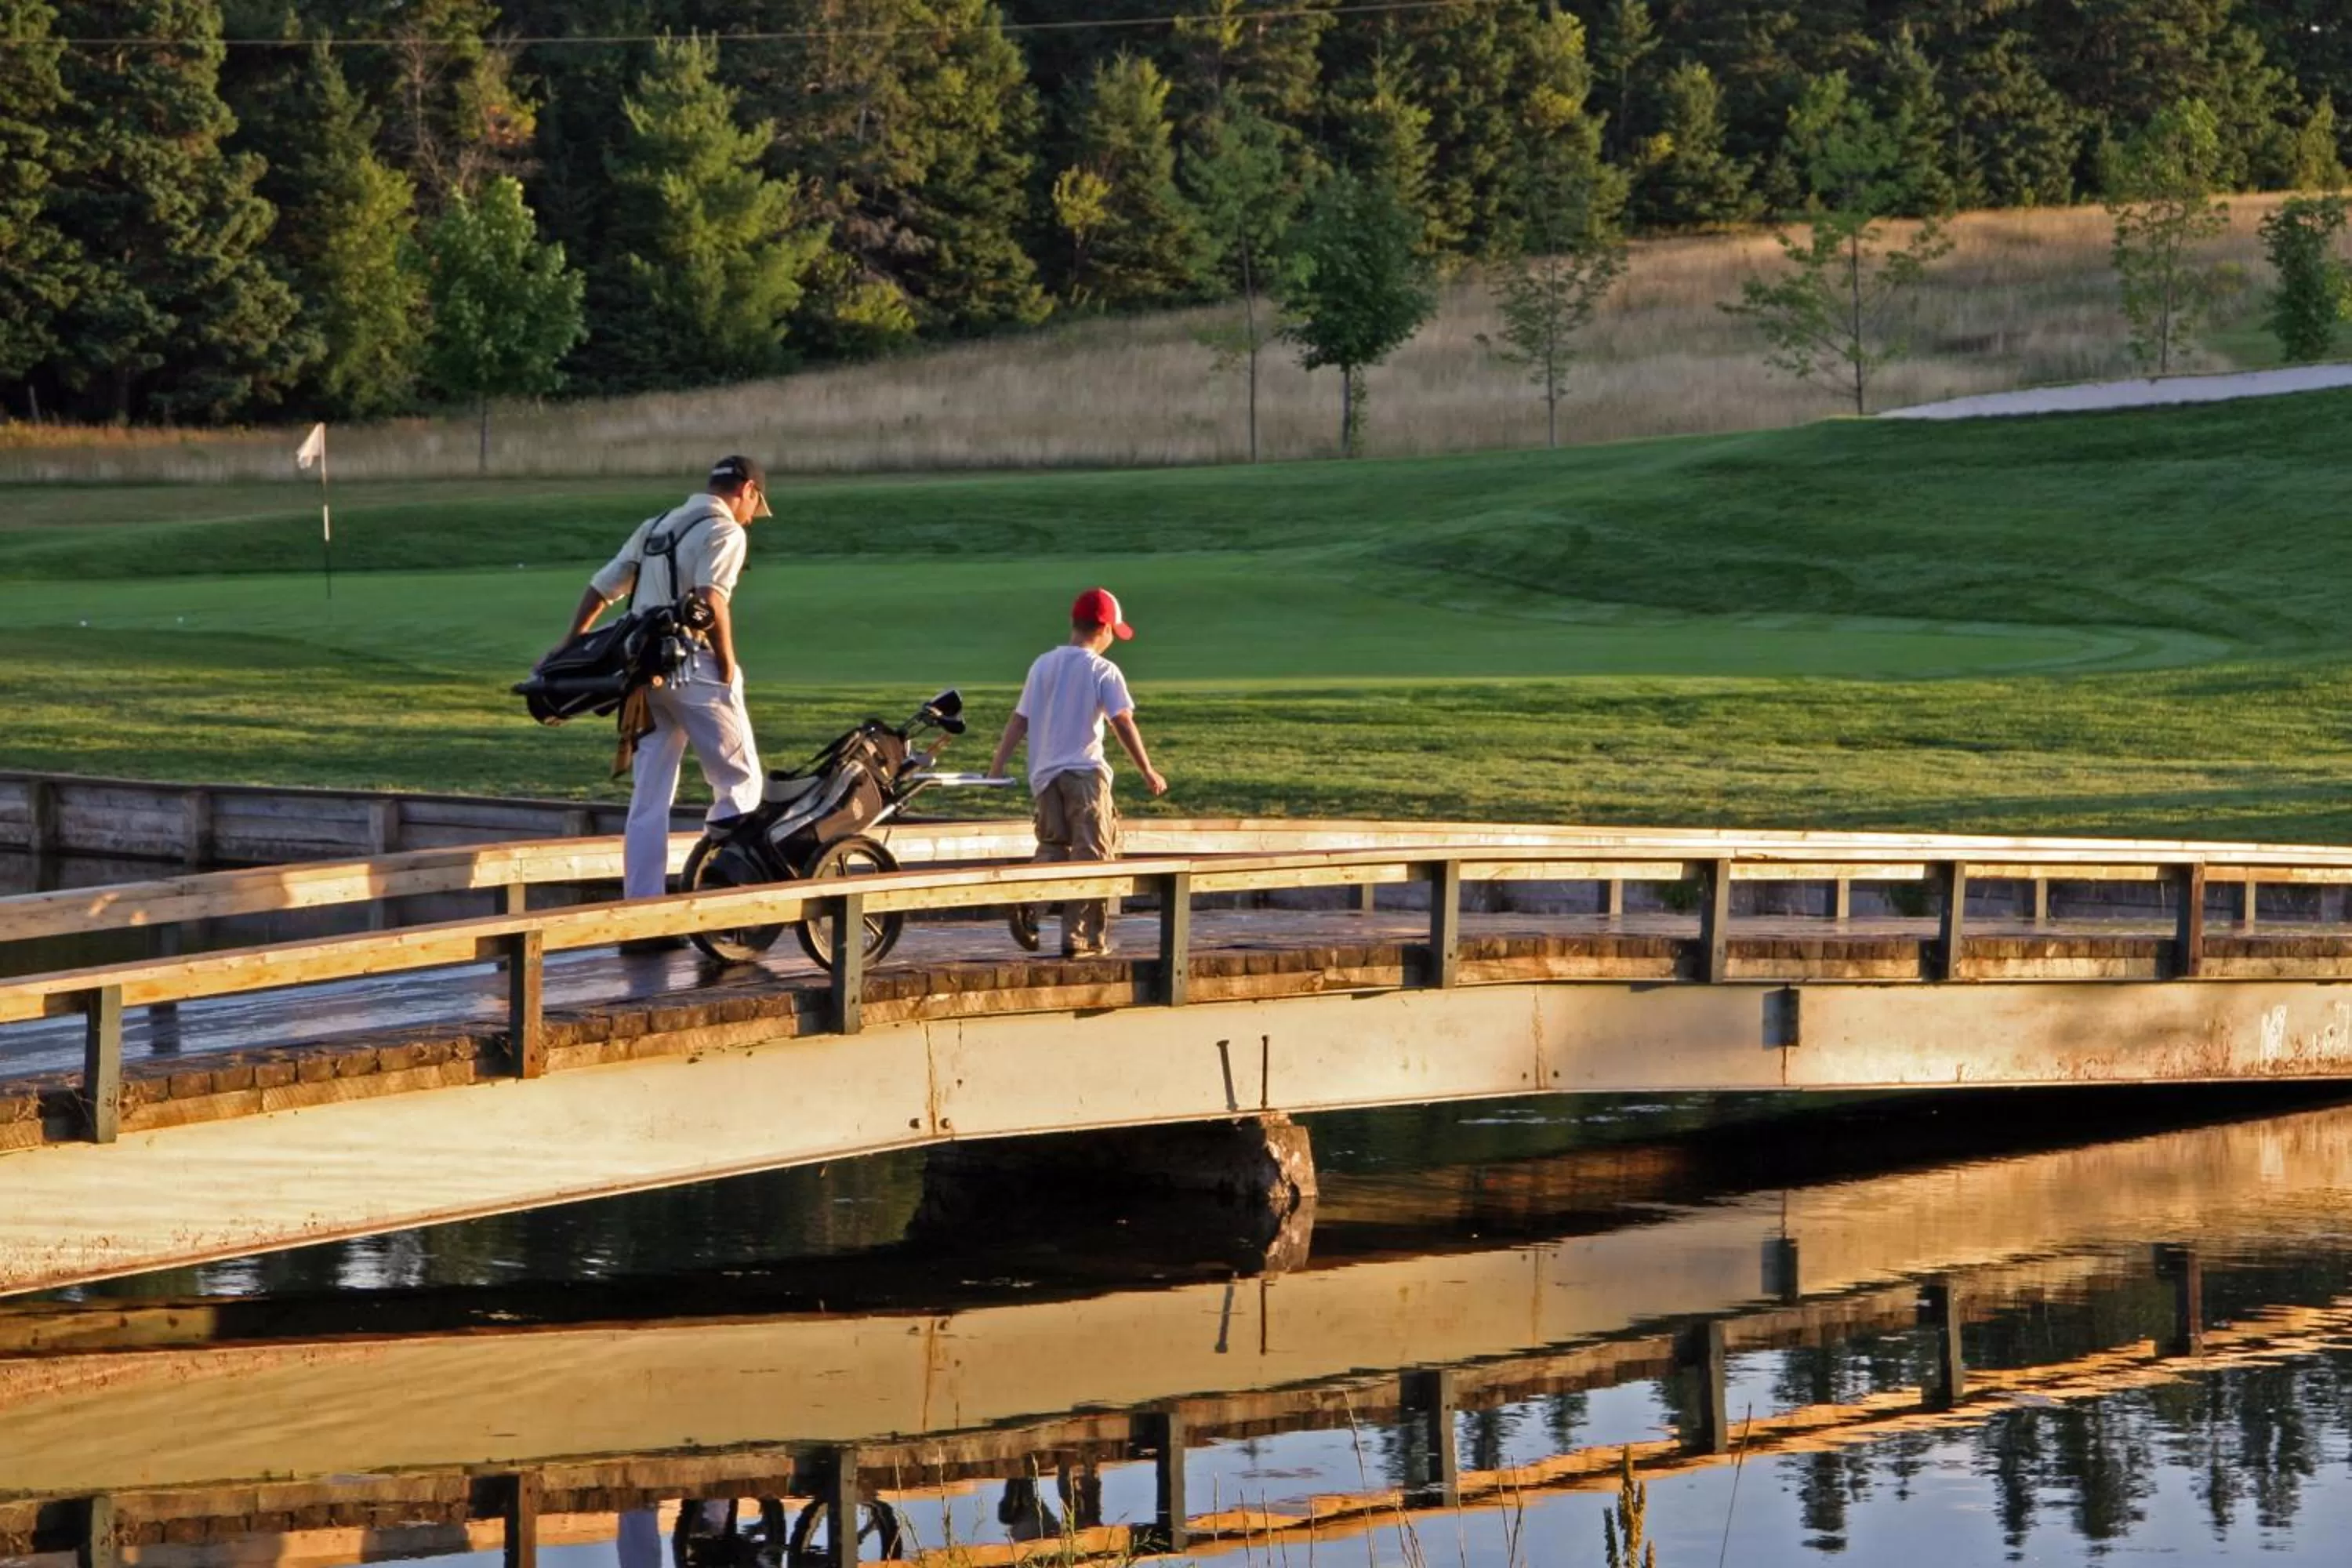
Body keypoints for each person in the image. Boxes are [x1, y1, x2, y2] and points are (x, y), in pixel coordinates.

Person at [546, 456, 771, 942]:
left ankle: (642, 916)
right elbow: (712, 600)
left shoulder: (656, 526)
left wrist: (571, 640)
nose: (753, 515)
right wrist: (728, 663)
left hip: (645, 677)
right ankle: (723, 893)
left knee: (650, 797)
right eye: (756, 504)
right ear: (747, 490)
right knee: (739, 779)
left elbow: (602, 587)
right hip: (695, 667)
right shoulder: (726, 531)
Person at [989, 587, 1168, 957]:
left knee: (1053, 848)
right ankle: (1082, 938)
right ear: (1103, 629)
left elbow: (1019, 720)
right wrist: (1147, 769)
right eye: (1112, 635)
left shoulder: (1042, 664)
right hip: (1085, 775)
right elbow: (1122, 721)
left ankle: (1028, 905)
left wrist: (998, 764)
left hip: (1044, 777)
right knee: (1094, 856)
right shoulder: (1102, 669)